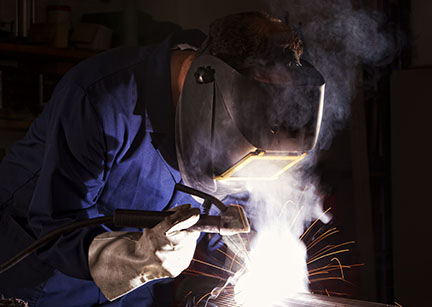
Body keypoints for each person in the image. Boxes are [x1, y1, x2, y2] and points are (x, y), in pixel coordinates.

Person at [0, 11, 325, 307]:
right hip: (43, 279)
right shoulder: (102, 96)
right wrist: (137, 257)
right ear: (205, 84)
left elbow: (228, 209)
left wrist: (247, 249)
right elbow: (57, 226)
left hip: (139, 291)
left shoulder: (236, 111)